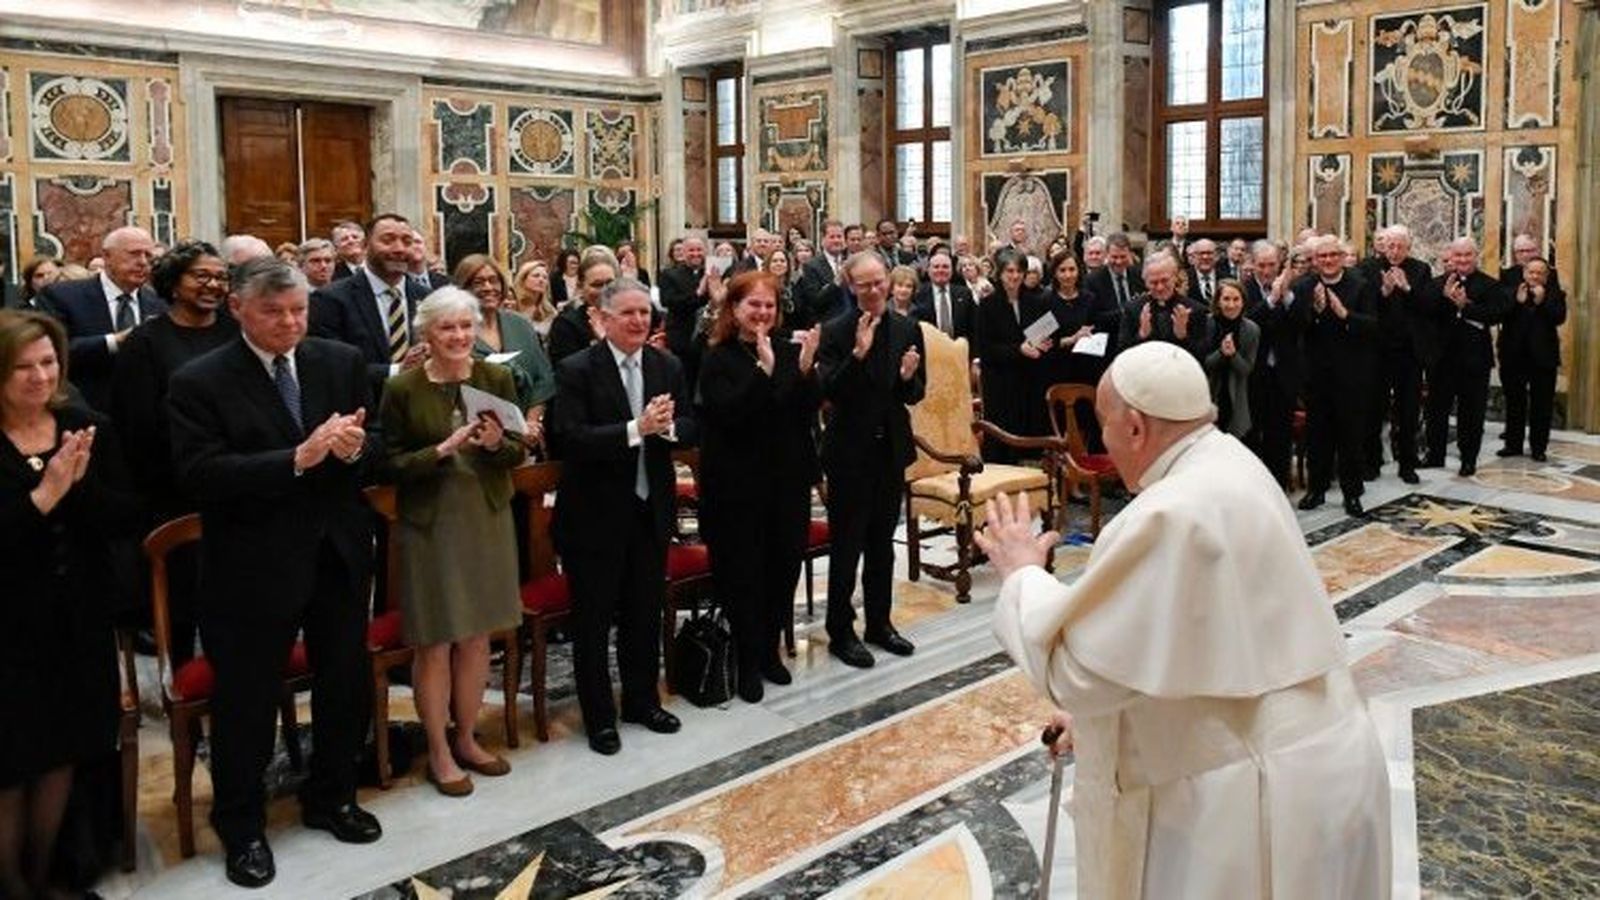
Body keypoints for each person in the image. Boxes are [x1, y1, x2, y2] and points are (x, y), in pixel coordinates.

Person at [981, 341, 1391, 900]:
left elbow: (1075, 672)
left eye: (1102, 423)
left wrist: (1021, 574)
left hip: (1249, 800)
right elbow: (1204, 637)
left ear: (1134, 427)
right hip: (1330, 763)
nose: (1101, 439)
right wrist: (1102, 723)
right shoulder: (1232, 461)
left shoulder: (1167, 512)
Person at [167, 258, 382, 888]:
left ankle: (333, 795)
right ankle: (242, 825)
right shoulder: (200, 380)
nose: (290, 323)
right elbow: (200, 474)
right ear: (237, 308)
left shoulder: (339, 360)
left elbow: (375, 439)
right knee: (247, 699)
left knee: (343, 680)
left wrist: (355, 449)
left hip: (336, 551)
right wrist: (296, 458)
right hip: (252, 564)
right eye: (274, 312)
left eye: (298, 311)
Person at [0, 311, 141, 900]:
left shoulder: (85, 425)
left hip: (79, 620)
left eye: (49, 362)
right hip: (9, 629)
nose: (40, 376)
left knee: (67, 749)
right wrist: (45, 494)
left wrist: (79, 488)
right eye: (23, 367)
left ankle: (47, 874)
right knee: (11, 764)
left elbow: (124, 517)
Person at [379, 288, 527, 796]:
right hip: (431, 523)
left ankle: (466, 737)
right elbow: (387, 464)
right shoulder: (403, 388)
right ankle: (438, 750)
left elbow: (516, 451)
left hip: (486, 516)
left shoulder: (495, 378)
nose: (460, 336)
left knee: (478, 635)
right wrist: (438, 451)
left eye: (467, 326)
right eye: (448, 327)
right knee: (436, 641)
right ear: (427, 333)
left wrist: (497, 445)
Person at [550, 277, 697, 755]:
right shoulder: (577, 368)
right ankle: (599, 718)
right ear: (603, 319)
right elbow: (569, 438)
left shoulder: (666, 364)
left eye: (644, 313)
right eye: (628, 313)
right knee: (593, 622)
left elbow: (690, 424)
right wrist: (637, 428)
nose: (638, 321)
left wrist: (668, 428)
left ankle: (641, 701)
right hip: (594, 515)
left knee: (643, 612)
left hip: (649, 509)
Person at [110, 242, 239, 664]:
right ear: (173, 282)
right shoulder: (146, 342)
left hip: (237, 486)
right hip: (173, 493)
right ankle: (181, 691)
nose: (213, 285)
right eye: (201, 276)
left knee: (234, 607)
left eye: (221, 277)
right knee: (181, 607)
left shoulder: (237, 331)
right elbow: (136, 425)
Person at [696, 272, 821, 702]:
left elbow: (803, 412)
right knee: (743, 575)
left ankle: (769, 652)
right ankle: (746, 661)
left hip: (785, 482)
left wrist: (805, 370)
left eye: (770, 305)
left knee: (782, 570)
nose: (763, 313)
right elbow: (729, 416)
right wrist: (763, 373)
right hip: (737, 488)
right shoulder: (717, 357)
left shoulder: (787, 350)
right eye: (754, 305)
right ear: (734, 309)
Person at [816, 253, 925, 667]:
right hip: (849, 452)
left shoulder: (908, 327)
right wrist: (858, 355)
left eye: (880, 281)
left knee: (882, 544)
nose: (875, 290)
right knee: (847, 546)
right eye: (865, 285)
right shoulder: (835, 331)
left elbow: (915, 392)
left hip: (890, 449)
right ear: (851, 286)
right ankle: (840, 631)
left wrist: (907, 378)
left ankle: (880, 623)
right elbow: (830, 391)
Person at [38, 226, 167, 412]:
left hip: (145, 413)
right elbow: (54, 351)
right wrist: (116, 341)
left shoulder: (160, 303)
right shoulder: (63, 296)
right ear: (107, 256)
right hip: (86, 410)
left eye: (149, 256)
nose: (143, 262)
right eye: (134, 254)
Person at [1295, 235, 1379, 516]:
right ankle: (1316, 490)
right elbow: (1295, 327)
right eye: (1322, 256)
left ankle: (1352, 494)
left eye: (1333, 255)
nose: (1328, 260)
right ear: (1315, 260)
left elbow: (1373, 326)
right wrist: (1315, 312)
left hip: (1352, 374)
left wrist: (1345, 315)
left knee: (1350, 437)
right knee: (1317, 435)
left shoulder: (1361, 285)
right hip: (1316, 375)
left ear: (1342, 257)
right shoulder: (1304, 286)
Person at [309, 213, 432, 400]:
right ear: (365, 246)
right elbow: (330, 366)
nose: (399, 248)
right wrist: (397, 370)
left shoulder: (427, 297)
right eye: (388, 240)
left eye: (407, 242)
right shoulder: (330, 300)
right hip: (362, 409)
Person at [1422, 238, 1510, 477]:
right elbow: (1425, 313)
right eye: (1458, 255)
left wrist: (1465, 306)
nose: (1462, 260)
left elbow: (1495, 315)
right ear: (1451, 257)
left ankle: (1468, 459)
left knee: (1472, 413)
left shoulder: (1490, 285)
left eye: (1467, 255)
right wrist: (1444, 298)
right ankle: (1435, 454)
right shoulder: (1436, 284)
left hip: (1474, 360)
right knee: (1436, 410)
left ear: (1475, 256)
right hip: (1441, 359)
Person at [1357, 225, 1435, 483]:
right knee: (1373, 409)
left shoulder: (1420, 269)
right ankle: (1371, 462)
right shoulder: (1368, 268)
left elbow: (1428, 306)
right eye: (1390, 246)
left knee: (1408, 411)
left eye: (1400, 246)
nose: (1394, 251)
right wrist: (1384, 292)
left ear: (1408, 248)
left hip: (1409, 353)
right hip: (1377, 351)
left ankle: (1407, 465)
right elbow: (1362, 306)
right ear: (1382, 246)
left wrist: (1407, 289)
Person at [454, 254, 555, 437]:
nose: (488, 287)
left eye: (493, 281)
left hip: (528, 434)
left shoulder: (520, 325)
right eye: (478, 282)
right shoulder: (455, 332)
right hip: (476, 435)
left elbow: (543, 379)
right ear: (463, 289)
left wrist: (529, 423)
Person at [1036, 250, 1114, 448]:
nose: (1068, 275)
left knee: (1086, 422)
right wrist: (1071, 339)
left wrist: (1091, 336)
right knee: (1060, 424)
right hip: (1056, 370)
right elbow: (1040, 341)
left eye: (1072, 269)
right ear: (1054, 273)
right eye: (1062, 270)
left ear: (1079, 271)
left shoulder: (1090, 299)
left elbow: (1097, 329)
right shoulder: (1045, 300)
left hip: (1085, 369)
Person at [1242, 241, 1303, 488]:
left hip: (1284, 374)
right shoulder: (1244, 289)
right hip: (1254, 374)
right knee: (1253, 434)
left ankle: (1279, 485)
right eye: (1261, 265)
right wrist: (1270, 301)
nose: (1266, 271)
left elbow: (1302, 324)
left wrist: (1286, 298)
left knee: (1281, 435)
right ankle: (1255, 487)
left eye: (1271, 265)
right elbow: (1246, 323)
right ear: (1252, 264)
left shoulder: (1293, 288)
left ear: (1279, 265)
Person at [977, 252, 1046, 458]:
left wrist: (1042, 345)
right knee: (1002, 443)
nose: (1015, 276)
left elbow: (1041, 335)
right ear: (1000, 273)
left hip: (1029, 379)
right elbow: (986, 349)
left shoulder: (1036, 302)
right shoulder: (987, 305)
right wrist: (1019, 349)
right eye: (1009, 271)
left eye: (1019, 271)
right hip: (1000, 382)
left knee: (1028, 437)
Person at [1496, 257, 1565, 462]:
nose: (1534, 276)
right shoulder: (1510, 291)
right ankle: (1513, 444)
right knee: (1514, 402)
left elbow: (1559, 317)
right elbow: (1497, 314)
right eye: (1531, 272)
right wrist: (1515, 302)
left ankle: (1538, 448)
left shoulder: (1555, 293)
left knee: (1542, 405)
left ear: (1546, 276)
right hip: (1513, 356)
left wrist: (1541, 302)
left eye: (1539, 273)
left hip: (1543, 358)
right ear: (1524, 273)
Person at [1117, 254, 1209, 359]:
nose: (1160, 287)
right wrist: (1141, 335)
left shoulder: (1195, 309)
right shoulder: (1133, 309)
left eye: (1165, 280)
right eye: (1153, 282)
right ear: (1145, 282)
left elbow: (1202, 356)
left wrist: (1182, 336)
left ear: (1175, 278)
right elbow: (1122, 354)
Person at [1202, 280, 1258, 439]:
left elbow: (1246, 369)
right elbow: (1203, 364)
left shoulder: (1251, 330)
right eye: (1226, 299)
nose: (1231, 305)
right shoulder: (1206, 324)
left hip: (1236, 395)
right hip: (1210, 393)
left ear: (1243, 302)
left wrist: (1233, 355)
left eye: (1236, 299)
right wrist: (1221, 353)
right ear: (1218, 302)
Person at [547, 250, 617, 365]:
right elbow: (568, 370)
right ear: (580, 287)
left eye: (610, 283)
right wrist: (604, 344)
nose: (605, 290)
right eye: (597, 285)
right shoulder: (566, 324)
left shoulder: (631, 318)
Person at [911, 249, 977, 341]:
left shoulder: (964, 294)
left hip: (959, 348)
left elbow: (974, 328)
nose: (941, 270)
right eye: (936, 267)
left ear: (952, 270)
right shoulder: (918, 294)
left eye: (945, 267)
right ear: (928, 270)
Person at [795, 221, 848, 329]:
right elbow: (814, 301)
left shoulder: (850, 262)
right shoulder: (812, 266)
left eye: (839, 236)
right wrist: (835, 283)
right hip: (826, 324)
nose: (836, 240)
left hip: (849, 323)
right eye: (832, 237)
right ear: (823, 240)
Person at [511, 259, 559, 337]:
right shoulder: (511, 305)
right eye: (536, 276)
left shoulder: (550, 312)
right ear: (523, 279)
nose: (541, 280)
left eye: (545, 277)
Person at [763, 247, 797, 323]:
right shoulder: (762, 288)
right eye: (774, 261)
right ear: (768, 265)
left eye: (782, 261)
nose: (779, 264)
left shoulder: (795, 287)